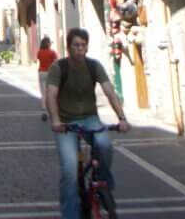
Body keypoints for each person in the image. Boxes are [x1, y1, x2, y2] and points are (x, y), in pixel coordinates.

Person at [46, 28, 131, 219]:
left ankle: (103, 184)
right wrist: (56, 120)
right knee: (69, 173)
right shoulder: (58, 68)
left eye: (83, 45)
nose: (80, 49)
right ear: (69, 48)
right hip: (66, 123)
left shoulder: (94, 66)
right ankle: (70, 215)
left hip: (90, 118)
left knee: (105, 146)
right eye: (76, 45)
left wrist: (122, 118)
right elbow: (51, 94)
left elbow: (109, 91)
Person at [37, 36, 58, 122]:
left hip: (41, 72)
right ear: (48, 43)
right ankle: (52, 112)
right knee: (51, 93)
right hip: (50, 73)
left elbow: (38, 59)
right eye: (50, 42)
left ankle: (44, 111)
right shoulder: (52, 52)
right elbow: (56, 62)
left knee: (43, 93)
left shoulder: (39, 52)